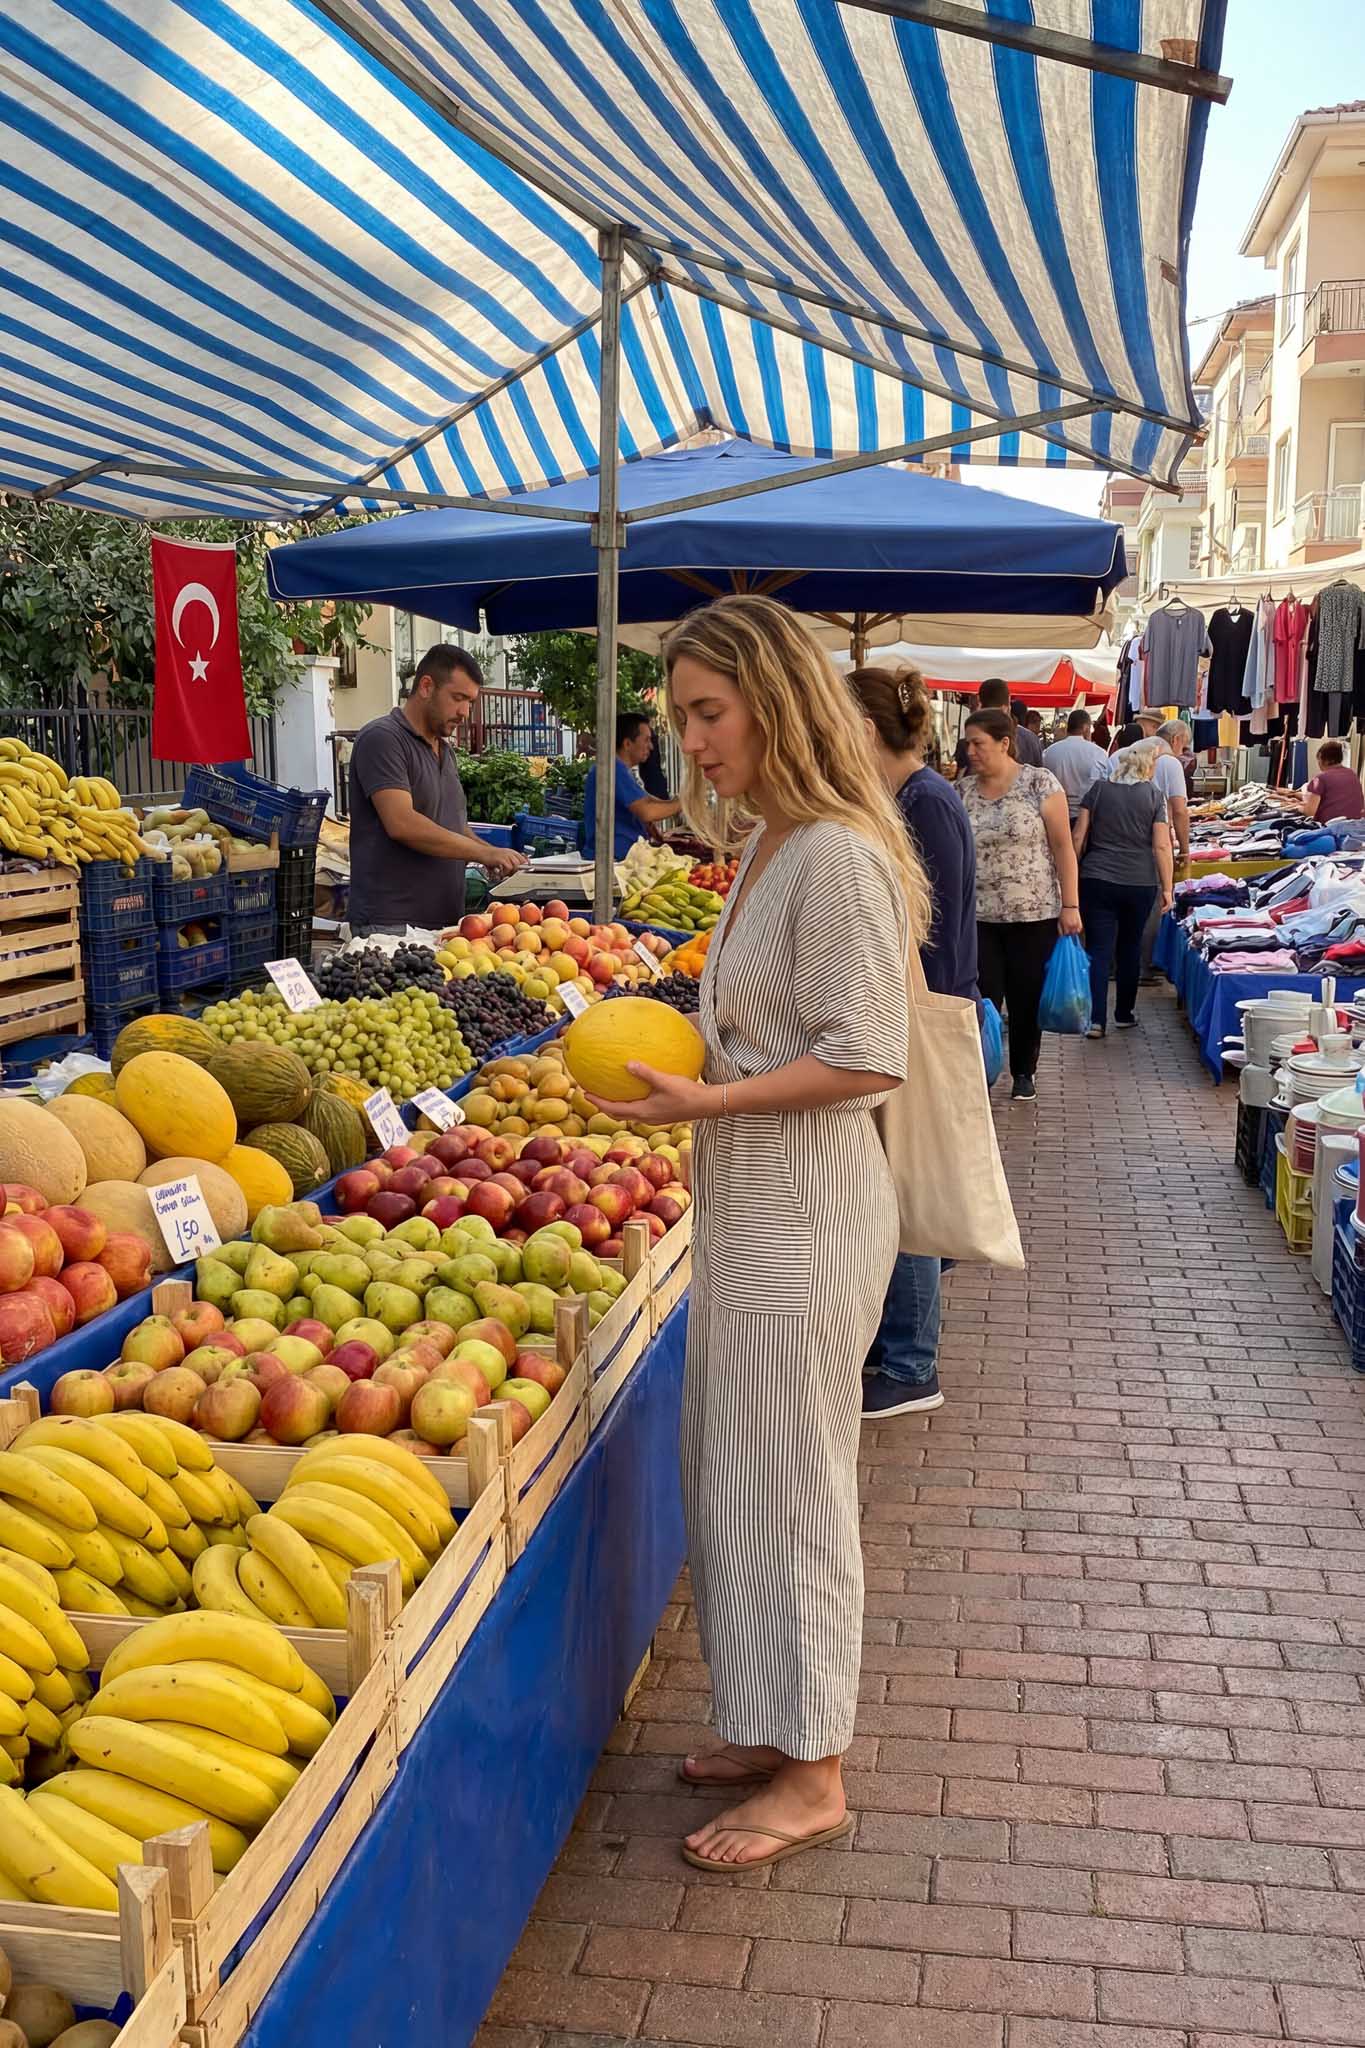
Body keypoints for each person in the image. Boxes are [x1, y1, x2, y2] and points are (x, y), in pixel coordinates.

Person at [584, 594, 927, 1875]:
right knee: (737, 1472)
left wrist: (706, 1097)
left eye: (707, 712)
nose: (693, 741)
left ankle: (817, 1769)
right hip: (756, 1203)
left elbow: (865, 1055)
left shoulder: (834, 851)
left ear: (776, 698)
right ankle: (774, 1722)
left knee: (792, 1490)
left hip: (803, 1212)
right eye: (681, 717)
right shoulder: (778, 841)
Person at [848, 664, 977, 1422]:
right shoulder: (912, 798)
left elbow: (923, 931)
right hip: (913, 1012)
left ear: (864, 732)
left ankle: (908, 1363)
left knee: (905, 1195)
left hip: (916, 1018)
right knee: (898, 1189)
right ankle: (897, 1351)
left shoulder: (922, 803)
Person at [347, 644, 526, 936]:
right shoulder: (382, 739)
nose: (465, 712)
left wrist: (493, 852)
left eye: (470, 702)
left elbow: (453, 825)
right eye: (458, 698)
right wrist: (483, 855)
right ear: (426, 687)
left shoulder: (445, 750)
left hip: (444, 923)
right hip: (390, 926)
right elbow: (402, 823)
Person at [959, 708, 1081, 1103]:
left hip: (1035, 913)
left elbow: (1063, 846)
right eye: (968, 743)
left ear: (1004, 743)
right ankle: (983, 1068)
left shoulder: (1039, 783)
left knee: (1027, 996)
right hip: (978, 916)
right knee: (984, 998)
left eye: (978, 743)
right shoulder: (962, 791)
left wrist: (1070, 905)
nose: (971, 751)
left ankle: (1024, 1071)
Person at [1072, 740, 1173, 1037]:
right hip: (1140, 881)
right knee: (1129, 946)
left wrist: (1068, 874)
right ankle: (1125, 1013)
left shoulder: (1098, 791)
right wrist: (1167, 887)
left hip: (1097, 879)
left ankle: (1096, 1020)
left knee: (1099, 949)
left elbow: (1079, 836)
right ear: (1146, 766)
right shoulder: (1155, 796)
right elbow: (1162, 845)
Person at [580, 711, 682, 863]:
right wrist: (684, 802)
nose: (651, 746)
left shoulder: (619, 769)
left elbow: (645, 800)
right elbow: (647, 811)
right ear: (627, 744)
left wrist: (658, 833)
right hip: (613, 861)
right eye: (646, 740)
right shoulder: (612, 769)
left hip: (623, 857)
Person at [953, 677, 1041, 770]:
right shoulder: (1031, 740)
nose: (971, 751)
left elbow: (959, 773)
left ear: (980, 704)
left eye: (978, 743)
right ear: (1008, 701)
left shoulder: (966, 743)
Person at [1044, 708, 1112, 819]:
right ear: (1086, 728)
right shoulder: (1098, 753)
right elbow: (1104, 785)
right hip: (1087, 817)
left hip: (1055, 814)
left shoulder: (1049, 752)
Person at [1302, 741, 1365, 824]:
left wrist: (1298, 808)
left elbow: (1309, 812)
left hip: (1331, 827)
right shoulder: (1352, 774)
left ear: (1321, 758)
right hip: (1357, 825)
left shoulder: (1321, 778)